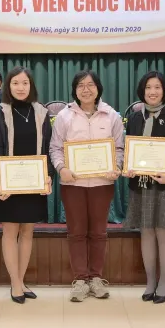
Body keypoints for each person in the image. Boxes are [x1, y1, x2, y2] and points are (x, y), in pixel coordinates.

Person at [49, 70, 124, 302]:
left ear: (98, 88)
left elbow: (119, 148)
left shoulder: (112, 116)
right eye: (80, 85)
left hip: (102, 183)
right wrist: (61, 168)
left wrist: (116, 167)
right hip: (73, 184)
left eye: (90, 85)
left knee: (99, 232)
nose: (86, 89)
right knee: (77, 232)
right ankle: (80, 280)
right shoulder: (64, 117)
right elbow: (55, 148)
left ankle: (96, 278)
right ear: (74, 90)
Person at [0, 66, 52, 303]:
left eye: (25, 83)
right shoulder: (0, 112)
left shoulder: (41, 112)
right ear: (8, 86)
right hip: (9, 182)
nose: (20, 87)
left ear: (31, 85)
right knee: (10, 231)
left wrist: (47, 176)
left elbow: (47, 149)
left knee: (27, 231)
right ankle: (15, 284)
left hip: (33, 183)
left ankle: (21, 280)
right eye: (15, 83)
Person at [124, 71, 165, 304]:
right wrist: (128, 167)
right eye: (148, 87)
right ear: (142, 91)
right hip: (141, 185)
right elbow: (129, 150)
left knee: (163, 231)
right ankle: (150, 281)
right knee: (146, 233)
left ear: (164, 91)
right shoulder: (134, 118)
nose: (152, 92)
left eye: (157, 87)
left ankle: (164, 282)